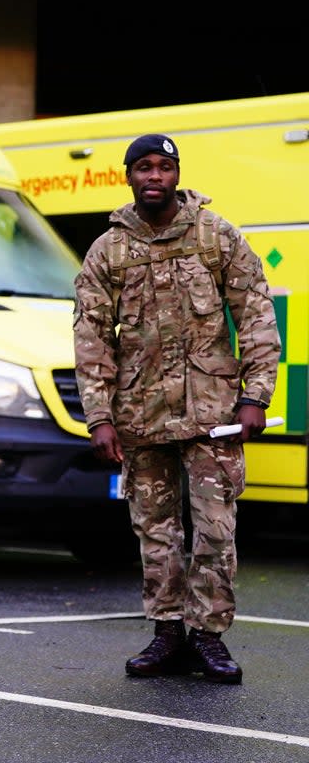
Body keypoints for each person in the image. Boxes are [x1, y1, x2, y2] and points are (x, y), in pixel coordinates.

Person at [73, 133, 281, 685]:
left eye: (164, 167)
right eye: (144, 167)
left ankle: (208, 638)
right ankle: (166, 634)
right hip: (141, 414)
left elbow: (256, 313)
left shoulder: (217, 236)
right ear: (129, 176)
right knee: (155, 531)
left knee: (215, 529)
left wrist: (256, 395)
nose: (155, 176)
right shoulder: (108, 250)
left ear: (177, 174)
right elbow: (91, 337)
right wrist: (99, 415)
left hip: (213, 413)